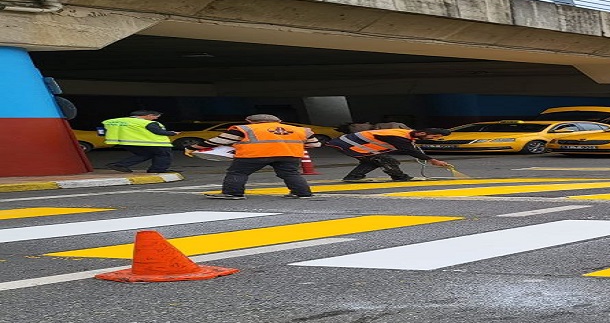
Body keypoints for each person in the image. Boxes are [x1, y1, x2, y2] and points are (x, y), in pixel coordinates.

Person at [188, 114, 321, 199]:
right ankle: (302, 193)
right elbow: (315, 144)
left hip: (254, 155)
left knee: (238, 172)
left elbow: (219, 141)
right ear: (279, 121)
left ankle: (233, 193)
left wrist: (195, 147)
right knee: (290, 174)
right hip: (289, 155)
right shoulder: (300, 130)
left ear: (249, 121)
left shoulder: (245, 128)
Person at [323, 122, 452, 182]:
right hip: (350, 145)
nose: (434, 139)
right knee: (387, 160)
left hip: (348, 144)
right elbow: (410, 151)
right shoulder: (399, 137)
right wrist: (432, 160)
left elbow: (408, 147)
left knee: (373, 161)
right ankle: (399, 177)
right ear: (422, 133)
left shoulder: (406, 134)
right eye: (434, 136)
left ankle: (353, 177)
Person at [102, 110, 181, 173]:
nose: (155, 119)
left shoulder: (115, 121)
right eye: (155, 117)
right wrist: (172, 133)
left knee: (144, 155)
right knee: (163, 155)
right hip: (152, 143)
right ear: (149, 115)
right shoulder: (147, 123)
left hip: (127, 143)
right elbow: (158, 132)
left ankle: (119, 165)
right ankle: (157, 170)